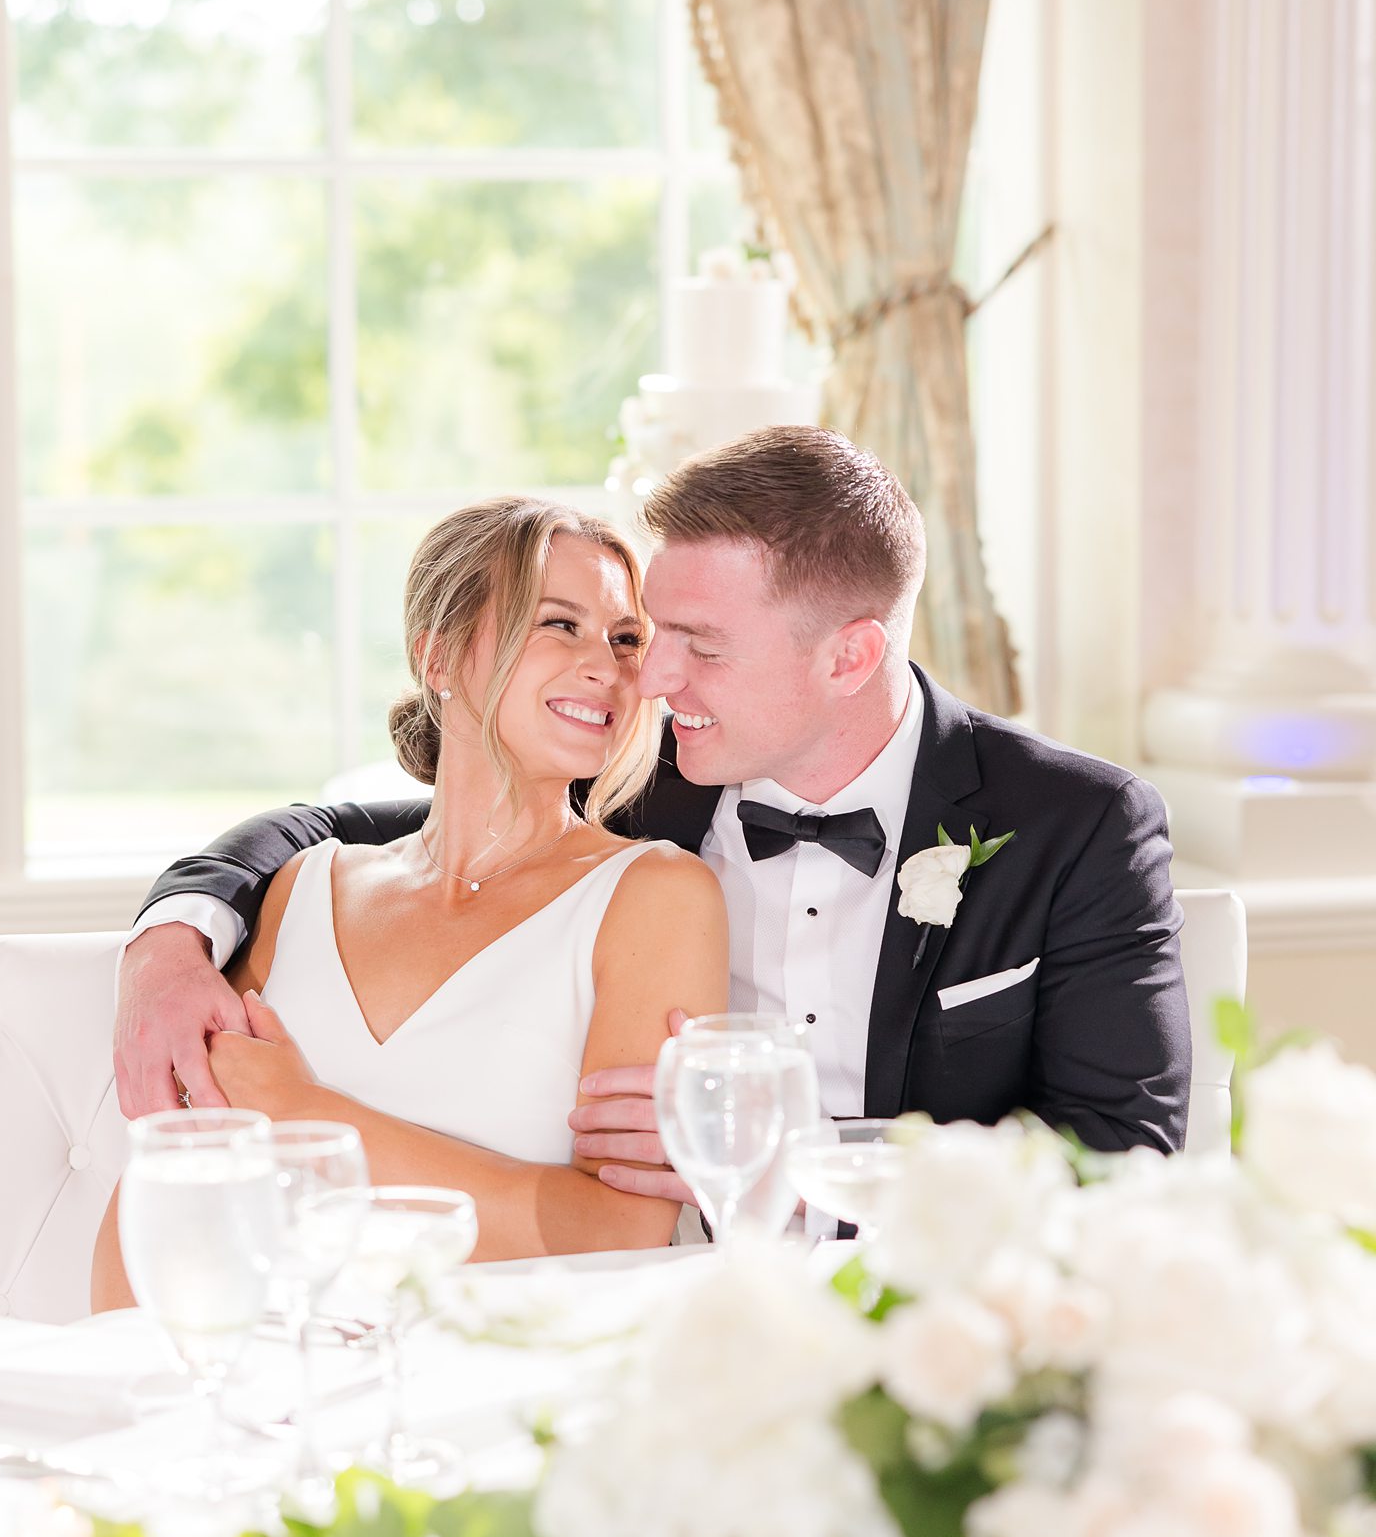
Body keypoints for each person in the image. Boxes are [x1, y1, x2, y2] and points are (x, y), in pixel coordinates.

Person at [113, 429, 1190, 1226]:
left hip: (924, 1325)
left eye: (697, 645)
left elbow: (1124, 1158)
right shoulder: (638, 789)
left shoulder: (1073, 825)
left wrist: (797, 1151)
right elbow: (340, 824)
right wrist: (170, 944)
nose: (649, 678)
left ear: (848, 657)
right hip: (664, 1318)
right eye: (649, 634)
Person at [91, 495, 728, 1304]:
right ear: (438, 656)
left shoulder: (657, 896)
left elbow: (617, 1234)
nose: (607, 664)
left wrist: (304, 1114)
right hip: (257, 1373)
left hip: (509, 1388)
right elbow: (180, 1181)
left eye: (626, 637)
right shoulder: (303, 888)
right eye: (558, 624)